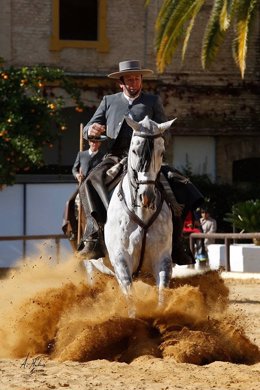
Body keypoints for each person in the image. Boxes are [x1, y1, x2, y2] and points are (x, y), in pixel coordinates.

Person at [78, 60, 204, 264]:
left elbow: (166, 132)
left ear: (141, 81)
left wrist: (158, 139)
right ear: (122, 82)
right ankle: (94, 236)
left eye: (137, 79)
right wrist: (90, 131)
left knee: (181, 186)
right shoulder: (109, 101)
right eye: (130, 79)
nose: (134, 82)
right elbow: (91, 125)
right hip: (115, 157)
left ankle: (177, 242)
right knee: (89, 183)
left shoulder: (152, 101)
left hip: (147, 160)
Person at [62, 139, 105, 248]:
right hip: (82, 185)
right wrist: (77, 175)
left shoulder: (103, 156)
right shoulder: (81, 154)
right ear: (89, 142)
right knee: (70, 202)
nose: (94, 144)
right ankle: (73, 229)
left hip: (95, 187)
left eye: (97, 142)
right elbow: (74, 169)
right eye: (92, 142)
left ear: (99, 143)